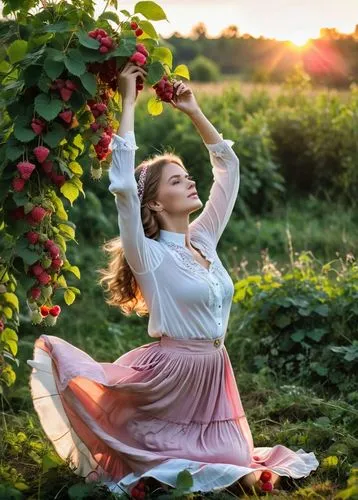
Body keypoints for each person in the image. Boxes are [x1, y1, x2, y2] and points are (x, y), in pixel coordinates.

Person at [27, 61, 319, 497]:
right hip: (171, 380)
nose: (190, 182)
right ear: (158, 205)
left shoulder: (203, 239)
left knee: (237, 466)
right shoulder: (147, 254)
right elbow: (124, 185)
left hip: (215, 376)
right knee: (221, 473)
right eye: (177, 181)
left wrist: (193, 110)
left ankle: (199, 466)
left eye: (187, 176)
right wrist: (128, 99)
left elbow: (228, 169)